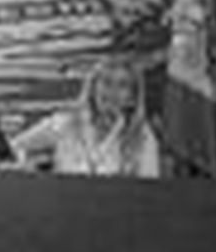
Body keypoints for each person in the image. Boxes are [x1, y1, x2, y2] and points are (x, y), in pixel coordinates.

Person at [12, 56, 160, 177]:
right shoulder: (65, 124)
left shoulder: (143, 137)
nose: (112, 92)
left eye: (122, 85)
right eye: (106, 82)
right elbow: (13, 148)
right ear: (93, 87)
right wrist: (27, 166)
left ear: (132, 98)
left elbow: (150, 194)